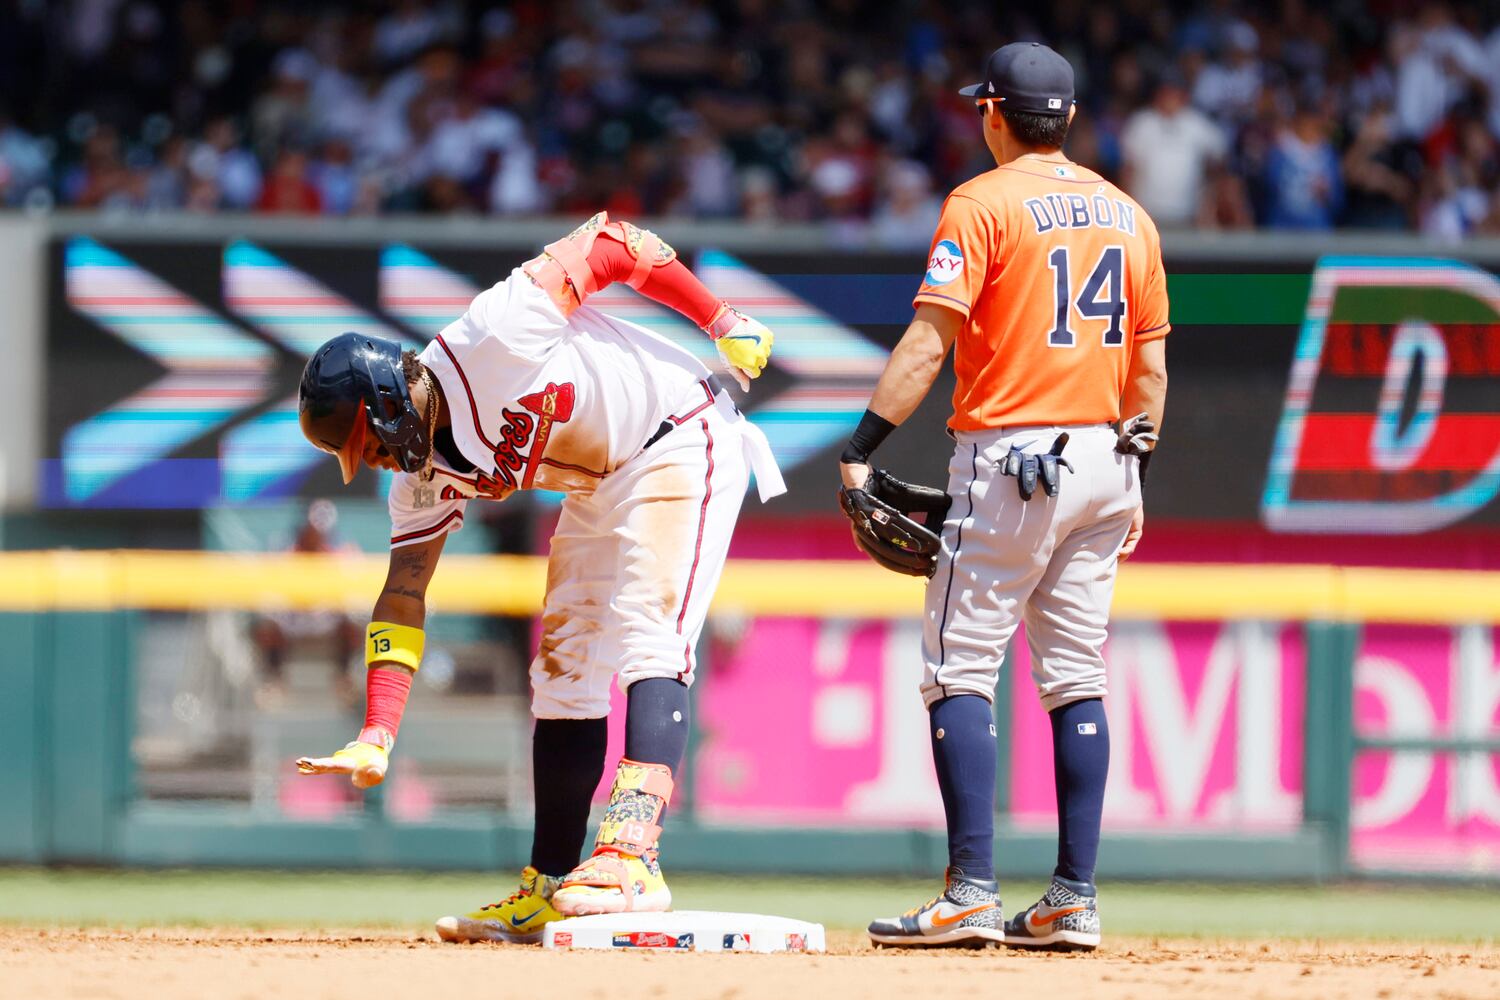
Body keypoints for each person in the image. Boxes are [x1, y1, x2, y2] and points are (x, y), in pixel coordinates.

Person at [292, 211, 783, 942]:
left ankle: (631, 854)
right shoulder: (421, 477)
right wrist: (377, 729)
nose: (377, 463)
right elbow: (403, 592)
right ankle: (549, 883)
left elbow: (615, 243)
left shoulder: (493, 334)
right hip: (600, 480)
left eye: (368, 444)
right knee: (562, 670)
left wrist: (719, 316)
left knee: (651, 636)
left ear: (385, 401)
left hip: (680, 431)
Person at [840, 42, 1169, 950]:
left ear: (993, 113)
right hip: (1105, 461)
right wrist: (1135, 469)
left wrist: (861, 449)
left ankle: (970, 890)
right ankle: (1073, 896)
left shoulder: (981, 202)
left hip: (1013, 458)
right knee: (1076, 676)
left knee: (959, 668)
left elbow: (927, 343)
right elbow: (1148, 368)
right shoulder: (1129, 214)